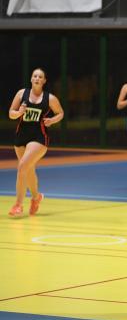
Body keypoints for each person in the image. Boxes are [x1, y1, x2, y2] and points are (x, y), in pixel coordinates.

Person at [8, 68, 64, 217]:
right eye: (35, 76)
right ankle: (36, 197)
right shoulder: (21, 94)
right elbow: (11, 114)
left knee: (22, 166)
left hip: (39, 138)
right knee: (28, 169)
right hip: (21, 136)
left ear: (44, 81)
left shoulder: (49, 98)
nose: (37, 78)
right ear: (31, 79)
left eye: (40, 77)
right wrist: (19, 112)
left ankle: (18, 205)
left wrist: (52, 120)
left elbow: (61, 113)